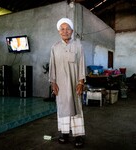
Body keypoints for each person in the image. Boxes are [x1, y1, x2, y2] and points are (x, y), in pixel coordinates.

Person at [49, 18, 86, 148]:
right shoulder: (55, 47)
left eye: (67, 29)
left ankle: (78, 136)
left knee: (76, 109)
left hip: (75, 83)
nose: (65, 31)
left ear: (72, 31)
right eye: (62, 29)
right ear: (59, 32)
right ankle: (64, 134)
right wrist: (53, 83)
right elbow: (52, 66)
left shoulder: (78, 45)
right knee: (62, 109)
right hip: (60, 85)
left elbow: (81, 64)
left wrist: (81, 83)